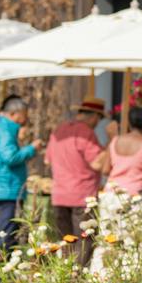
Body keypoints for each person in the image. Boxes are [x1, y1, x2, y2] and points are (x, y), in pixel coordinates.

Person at [45, 99, 106, 262]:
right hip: (82, 196)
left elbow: (47, 160)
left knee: (66, 242)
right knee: (84, 242)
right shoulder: (86, 132)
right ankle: (78, 275)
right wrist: (111, 143)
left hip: (59, 195)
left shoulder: (59, 130)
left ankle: (66, 274)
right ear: (94, 116)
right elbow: (97, 163)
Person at [0, 95, 37, 258]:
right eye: (24, 114)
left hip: (0, 187)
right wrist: (31, 148)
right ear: (14, 114)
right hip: (6, 188)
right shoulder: (5, 130)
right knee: (7, 235)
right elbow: (10, 157)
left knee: (4, 232)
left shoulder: (1, 127)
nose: (25, 118)